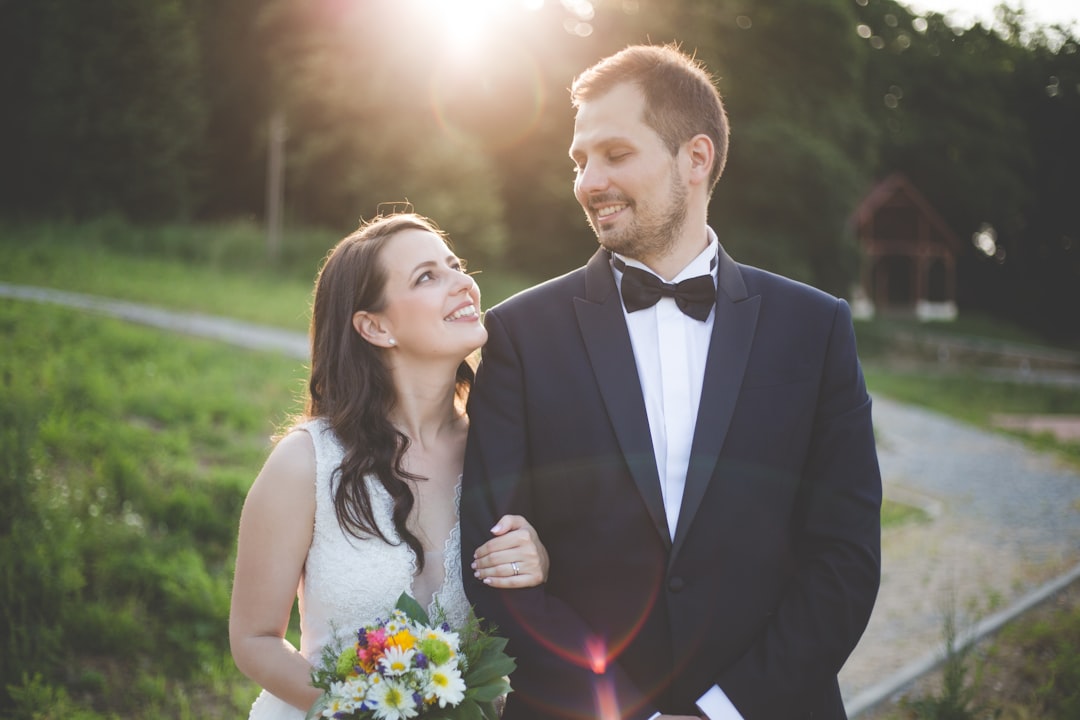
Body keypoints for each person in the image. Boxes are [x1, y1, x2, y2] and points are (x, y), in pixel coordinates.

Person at [460, 44, 882, 719]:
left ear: (696, 158)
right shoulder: (517, 334)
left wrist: (724, 711)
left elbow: (845, 557)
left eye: (615, 154)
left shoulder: (815, 329)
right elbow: (493, 561)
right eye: (579, 160)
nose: (588, 181)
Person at [230, 212, 550, 719]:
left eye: (455, 265)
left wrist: (540, 562)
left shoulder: (504, 452)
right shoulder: (306, 463)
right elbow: (254, 639)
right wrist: (363, 708)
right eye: (428, 276)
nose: (463, 283)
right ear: (374, 327)